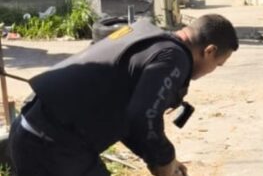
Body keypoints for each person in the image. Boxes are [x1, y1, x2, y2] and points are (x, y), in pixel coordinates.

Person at [9, 14, 239, 176]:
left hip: (32, 132)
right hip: (54, 145)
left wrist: (160, 160)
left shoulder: (148, 37)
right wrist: (164, 158)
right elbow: (143, 117)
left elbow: (130, 121)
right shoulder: (174, 57)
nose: (212, 71)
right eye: (217, 64)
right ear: (209, 51)